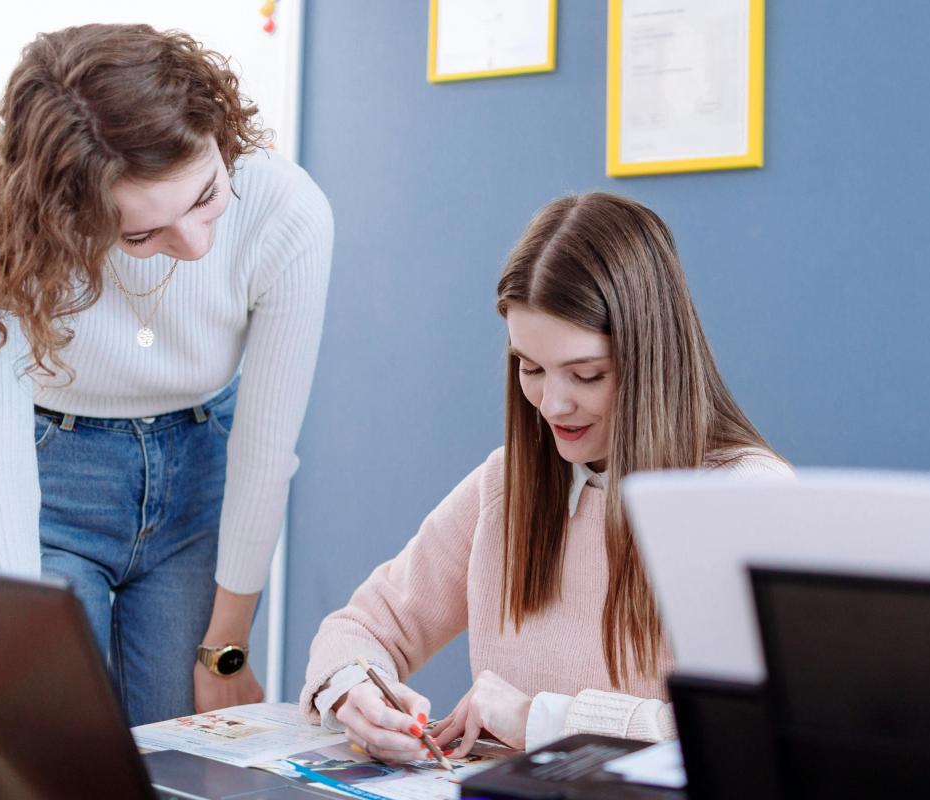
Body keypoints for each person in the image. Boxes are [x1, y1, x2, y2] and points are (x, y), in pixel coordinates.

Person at [299, 192, 789, 760]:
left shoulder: (748, 499)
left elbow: (758, 733)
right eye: (530, 368)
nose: (552, 405)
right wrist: (355, 692)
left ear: (653, 357)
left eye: (587, 374)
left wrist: (540, 718)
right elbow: (362, 626)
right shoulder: (505, 485)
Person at [0, 23, 333, 726]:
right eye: (141, 235)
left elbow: (265, 451)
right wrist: (10, 653)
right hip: (48, 477)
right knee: (47, 736)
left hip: (201, 473)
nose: (197, 245)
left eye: (206, 197)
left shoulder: (287, 209)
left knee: (185, 745)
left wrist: (227, 651)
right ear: (66, 218)